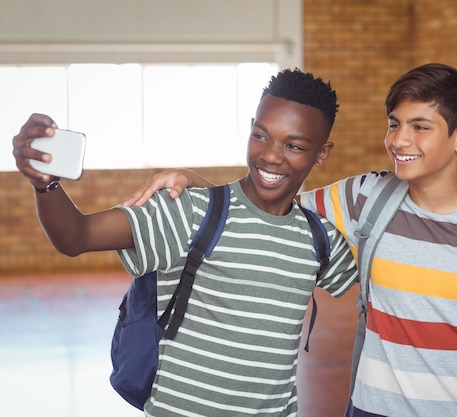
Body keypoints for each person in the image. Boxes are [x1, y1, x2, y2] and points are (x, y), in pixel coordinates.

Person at [126, 63, 457, 417]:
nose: (398, 140)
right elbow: (268, 200)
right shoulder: (365, 197)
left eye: (420, 127)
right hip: (369, 408)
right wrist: (194, 183)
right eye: (395, 124)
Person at [12, 68, 359, 417]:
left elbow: (381, 281)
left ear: (322, 152)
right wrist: (45, 184)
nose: (271, 155)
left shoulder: (319, 239)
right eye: (260, 136)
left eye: (293, 145)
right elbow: (76, 236)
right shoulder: (189, 211)